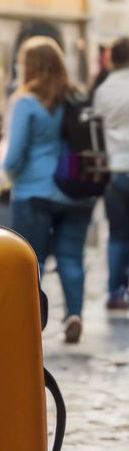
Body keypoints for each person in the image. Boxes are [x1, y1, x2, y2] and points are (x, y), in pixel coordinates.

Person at [2, 36, 96, 343]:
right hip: (74, 189)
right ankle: (74, 314)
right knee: (71, 257)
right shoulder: (76, 97)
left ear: (27, 66)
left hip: (34, 191)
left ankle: (31, 320)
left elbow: (13, 158)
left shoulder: (26, 102)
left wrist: (5, 167)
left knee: (32, 260)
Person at [93, 36, 129, 309]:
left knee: (116, 234)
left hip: (113, 169)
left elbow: (96, 132)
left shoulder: (103, 89)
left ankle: (115, 292)